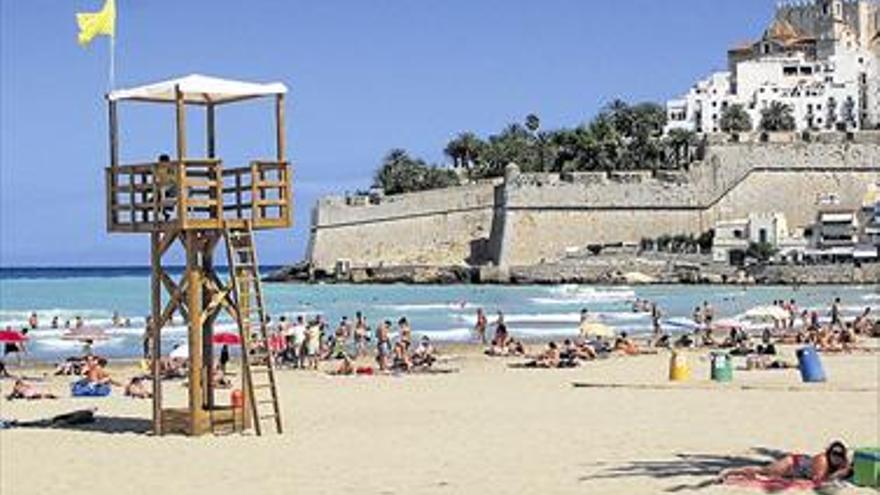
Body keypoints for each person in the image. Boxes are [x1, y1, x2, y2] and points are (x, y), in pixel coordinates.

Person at [720, 441, 851, 485]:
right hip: (791, 464)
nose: (838, 458)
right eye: (835, 454)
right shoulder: (822, 460)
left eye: (840, 455)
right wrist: (838, 474)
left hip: (799, 466)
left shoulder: (842, 461)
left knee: (766, 474)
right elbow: (817, 479)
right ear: (830, 453)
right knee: (763, 471)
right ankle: (731, 471)